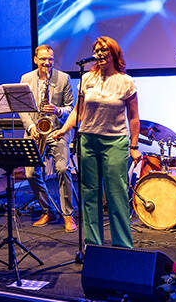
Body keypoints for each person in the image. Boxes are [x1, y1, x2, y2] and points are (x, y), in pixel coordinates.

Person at [52, 36, 141, 249]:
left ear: (114, 53)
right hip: (88, 140)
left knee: (116, 193)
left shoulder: (126, 82)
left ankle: (122, 246)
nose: (99, 54)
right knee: (89, 193)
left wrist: (134, 146)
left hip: (115, 141)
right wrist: (64, 129)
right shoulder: (87, 79)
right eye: (96, 50)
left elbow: (134, 117)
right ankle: (93, 246)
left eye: (103, 50)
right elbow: (78, 111)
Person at [19, 44, 77, 233]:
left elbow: (71, 108)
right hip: (35, 131)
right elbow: (22, 108)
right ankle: (47, 209)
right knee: (30, 173)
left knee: (62, 169)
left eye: (50, 59)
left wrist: (58, 110)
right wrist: (31, 127)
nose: (47, 62)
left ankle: (68, 214)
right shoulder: (26, 79)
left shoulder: (64, 78)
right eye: (43, 59)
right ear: (36, 59)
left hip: (57, 131)